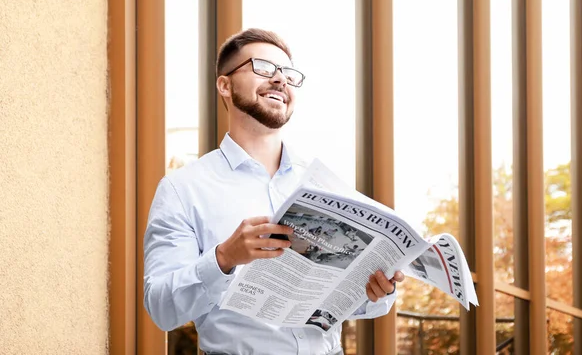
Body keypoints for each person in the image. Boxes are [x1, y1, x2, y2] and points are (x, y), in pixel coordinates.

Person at [143, 28, 405, 355]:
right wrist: (224, 258)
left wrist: (374, 291)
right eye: (263, 68)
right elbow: (161, 308)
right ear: (225, 84)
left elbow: (345, 303)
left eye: (288, 74)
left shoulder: (324, 185)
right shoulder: (183, 189)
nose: (280, 80)